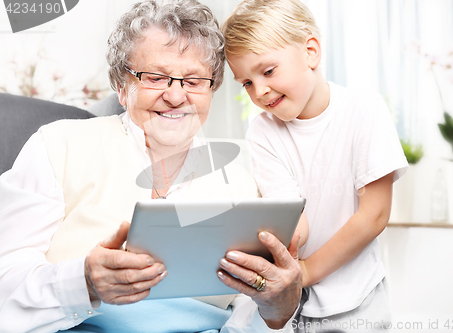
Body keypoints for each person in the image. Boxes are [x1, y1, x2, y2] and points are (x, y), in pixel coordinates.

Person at [0, 0, 303, 332]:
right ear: (121, 86)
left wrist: (278, 309)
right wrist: (83, 283)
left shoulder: (242, 185)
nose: (175, 97)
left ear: (211, 90)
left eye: (193, 81)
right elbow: (5, 275)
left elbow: (251, 312)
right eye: (156, 77)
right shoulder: (58, 145)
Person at [222, 0, 408, 332]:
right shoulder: (263, 130)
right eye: (246, 83)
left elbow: (374, 215)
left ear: (311, 52)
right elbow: (295, 221)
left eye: (267, 71)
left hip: (358, 301)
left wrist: (306, 271)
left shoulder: (363, 109)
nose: (259, 91)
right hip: (296, 304)